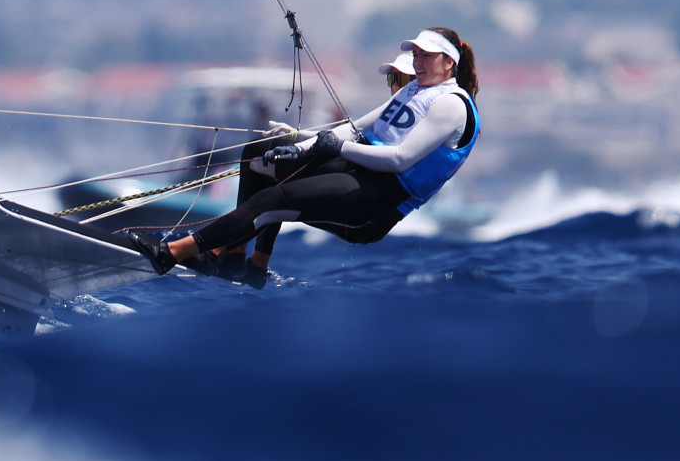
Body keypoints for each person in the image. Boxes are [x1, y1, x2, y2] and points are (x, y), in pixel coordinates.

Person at [122, 27, 481, 277]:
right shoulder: (413, 91)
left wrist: (336, 146)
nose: (417, 61)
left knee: (272, 197)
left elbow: (400, 158)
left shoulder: (452, 105)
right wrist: (299, 142)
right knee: (262, 153)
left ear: (449, 63)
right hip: (357, 169)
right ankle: (242, 262)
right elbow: (354, 128)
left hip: (379, 201)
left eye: (426, 56)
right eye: (415, 54)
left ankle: (171, 254)